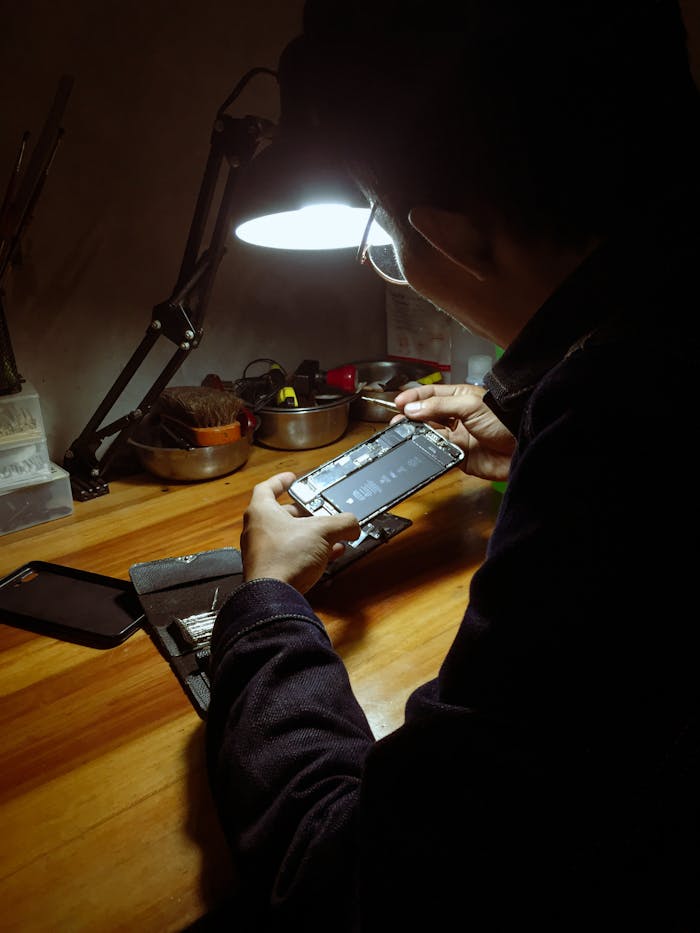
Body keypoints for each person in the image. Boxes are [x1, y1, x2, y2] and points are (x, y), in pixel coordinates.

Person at [205, 1, 700, 929]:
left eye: (388, 236)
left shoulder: (617, 439)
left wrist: (263, 605)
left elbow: (358, 882)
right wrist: (532, 433)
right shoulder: (650, 363)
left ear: (458, 235)